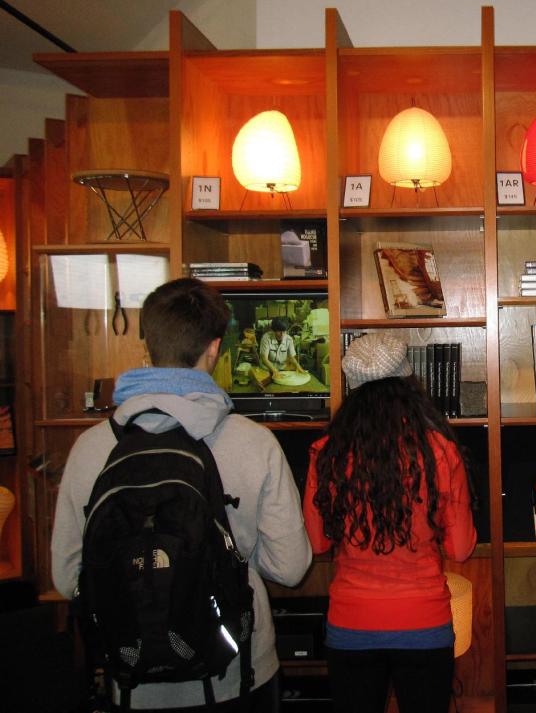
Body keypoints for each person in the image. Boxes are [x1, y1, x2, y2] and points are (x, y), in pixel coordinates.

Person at [50, 277, 313, 712]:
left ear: (148, 345)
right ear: (213, 348)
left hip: (133, 678)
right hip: (236, 673)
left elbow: (66, 578)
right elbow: (290, 567)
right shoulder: (255, 441)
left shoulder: (91, 447)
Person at [303, 332, 476, 713]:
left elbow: (316, 544)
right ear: (409, 383)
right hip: (424, 623)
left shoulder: (326, 452)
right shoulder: (440, 451)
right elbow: (461, 549)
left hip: (351, 624)